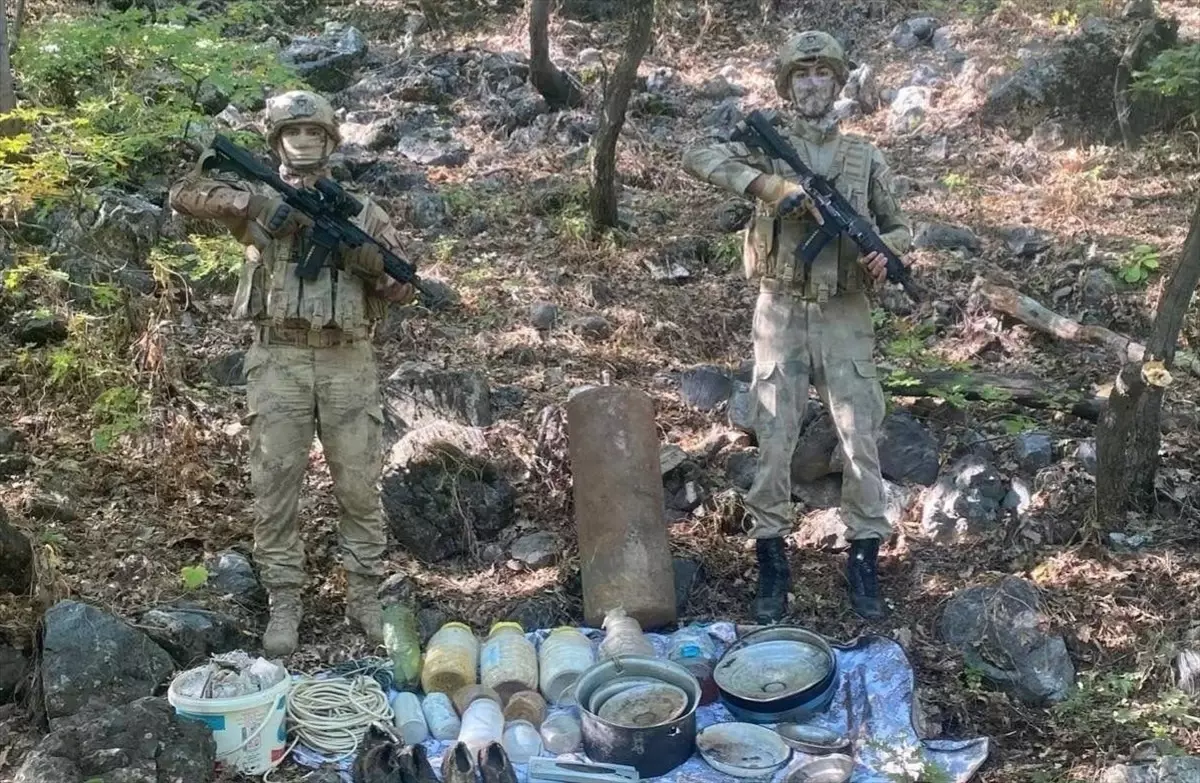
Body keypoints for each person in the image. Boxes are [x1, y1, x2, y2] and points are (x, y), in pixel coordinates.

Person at [169, 90, 416, 656]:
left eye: (313, 133)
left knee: (358, 485)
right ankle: (285, 602)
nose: (303, 141)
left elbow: (402, 286)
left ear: (330, 140)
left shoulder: (362, 212)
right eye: (292, 133)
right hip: (278, 358)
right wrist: (251, 208)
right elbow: (185, 194)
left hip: (347, 360)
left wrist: (373, 268)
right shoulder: (258, 196)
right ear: (276, 141)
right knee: (275, 486)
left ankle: (364, 596)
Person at [682, 31, 913, 622]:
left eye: (822, 75)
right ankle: (771, 561)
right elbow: (698, 155)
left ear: (838, 84)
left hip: (845, 313)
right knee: (774, 438)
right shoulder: (767, 150)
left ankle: (863, 561)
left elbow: (901, 229)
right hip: (780, 309)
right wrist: (770, 187)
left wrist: (885, 253)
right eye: (801, 76)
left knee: (860, 438)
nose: (812, 85)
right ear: (787, 85)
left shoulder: (865, 157)